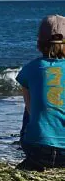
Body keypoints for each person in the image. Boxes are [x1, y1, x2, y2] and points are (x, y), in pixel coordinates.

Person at [16, 14, 65, 170]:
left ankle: (36, 153)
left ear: (39, 43)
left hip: (37, 150)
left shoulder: (30, 69)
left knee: (32, 105)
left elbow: (30, 109)